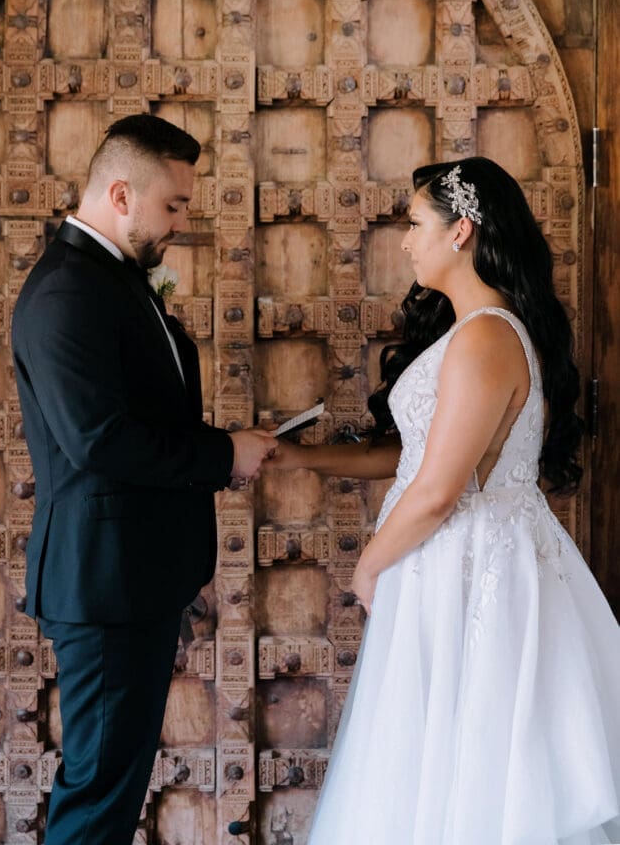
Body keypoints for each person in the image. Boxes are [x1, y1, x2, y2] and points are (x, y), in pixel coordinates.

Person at [266, 158, 620, 845]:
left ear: (460, 231)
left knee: (469, 753)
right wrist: (303, 457)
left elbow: (436, 491)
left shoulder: (486, 335)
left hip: (470, 565)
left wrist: (368, 565)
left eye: (414, 223)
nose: (404, 242)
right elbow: (419, 457)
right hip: (453, 562)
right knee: (438, 753)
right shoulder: (474, 330)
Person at [12, 114, 276, 845]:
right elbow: (99, 440)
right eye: (174, 205)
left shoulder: (113, 279)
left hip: (131, 579)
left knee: (112, 786)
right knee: (98, 795)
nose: (181, 223)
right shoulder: (68, 291)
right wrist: (221, 456)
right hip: (103, 583)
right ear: (121, 194)